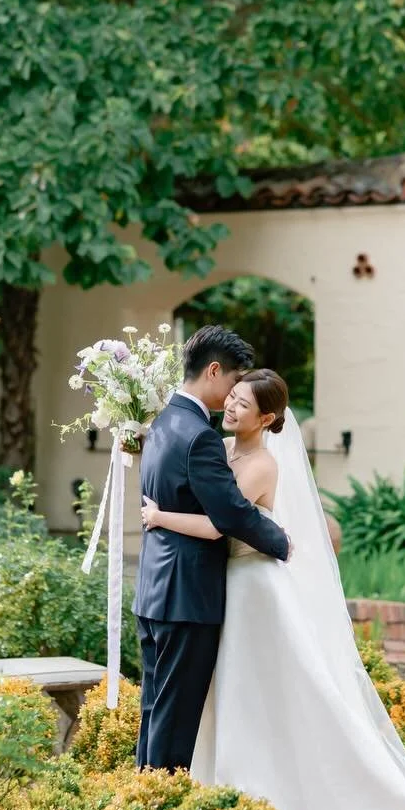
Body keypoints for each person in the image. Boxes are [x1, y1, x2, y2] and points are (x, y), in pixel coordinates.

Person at [141, 364, 405, 810]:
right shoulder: (223, 449)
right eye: (233, 398)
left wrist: (159, 517)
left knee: (268, 694)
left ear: (266, 417)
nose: (231, 406)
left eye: (244, 403)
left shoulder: (261, 466)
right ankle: (227, 795)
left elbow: (219, 523)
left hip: (254, 590)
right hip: (225, 588)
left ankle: (304, 805)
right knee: (234, 696)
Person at [134, 326, 291, 771]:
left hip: (154, 588)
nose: (234, 394)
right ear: (215, 370)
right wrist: (280, 541)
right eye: (233, 382)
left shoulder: (163, 421)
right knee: (176, 717)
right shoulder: (200, 435)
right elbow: (232, 516)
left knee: (155, 709)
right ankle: (154, 808)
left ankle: (138, 798)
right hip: (187, 597)